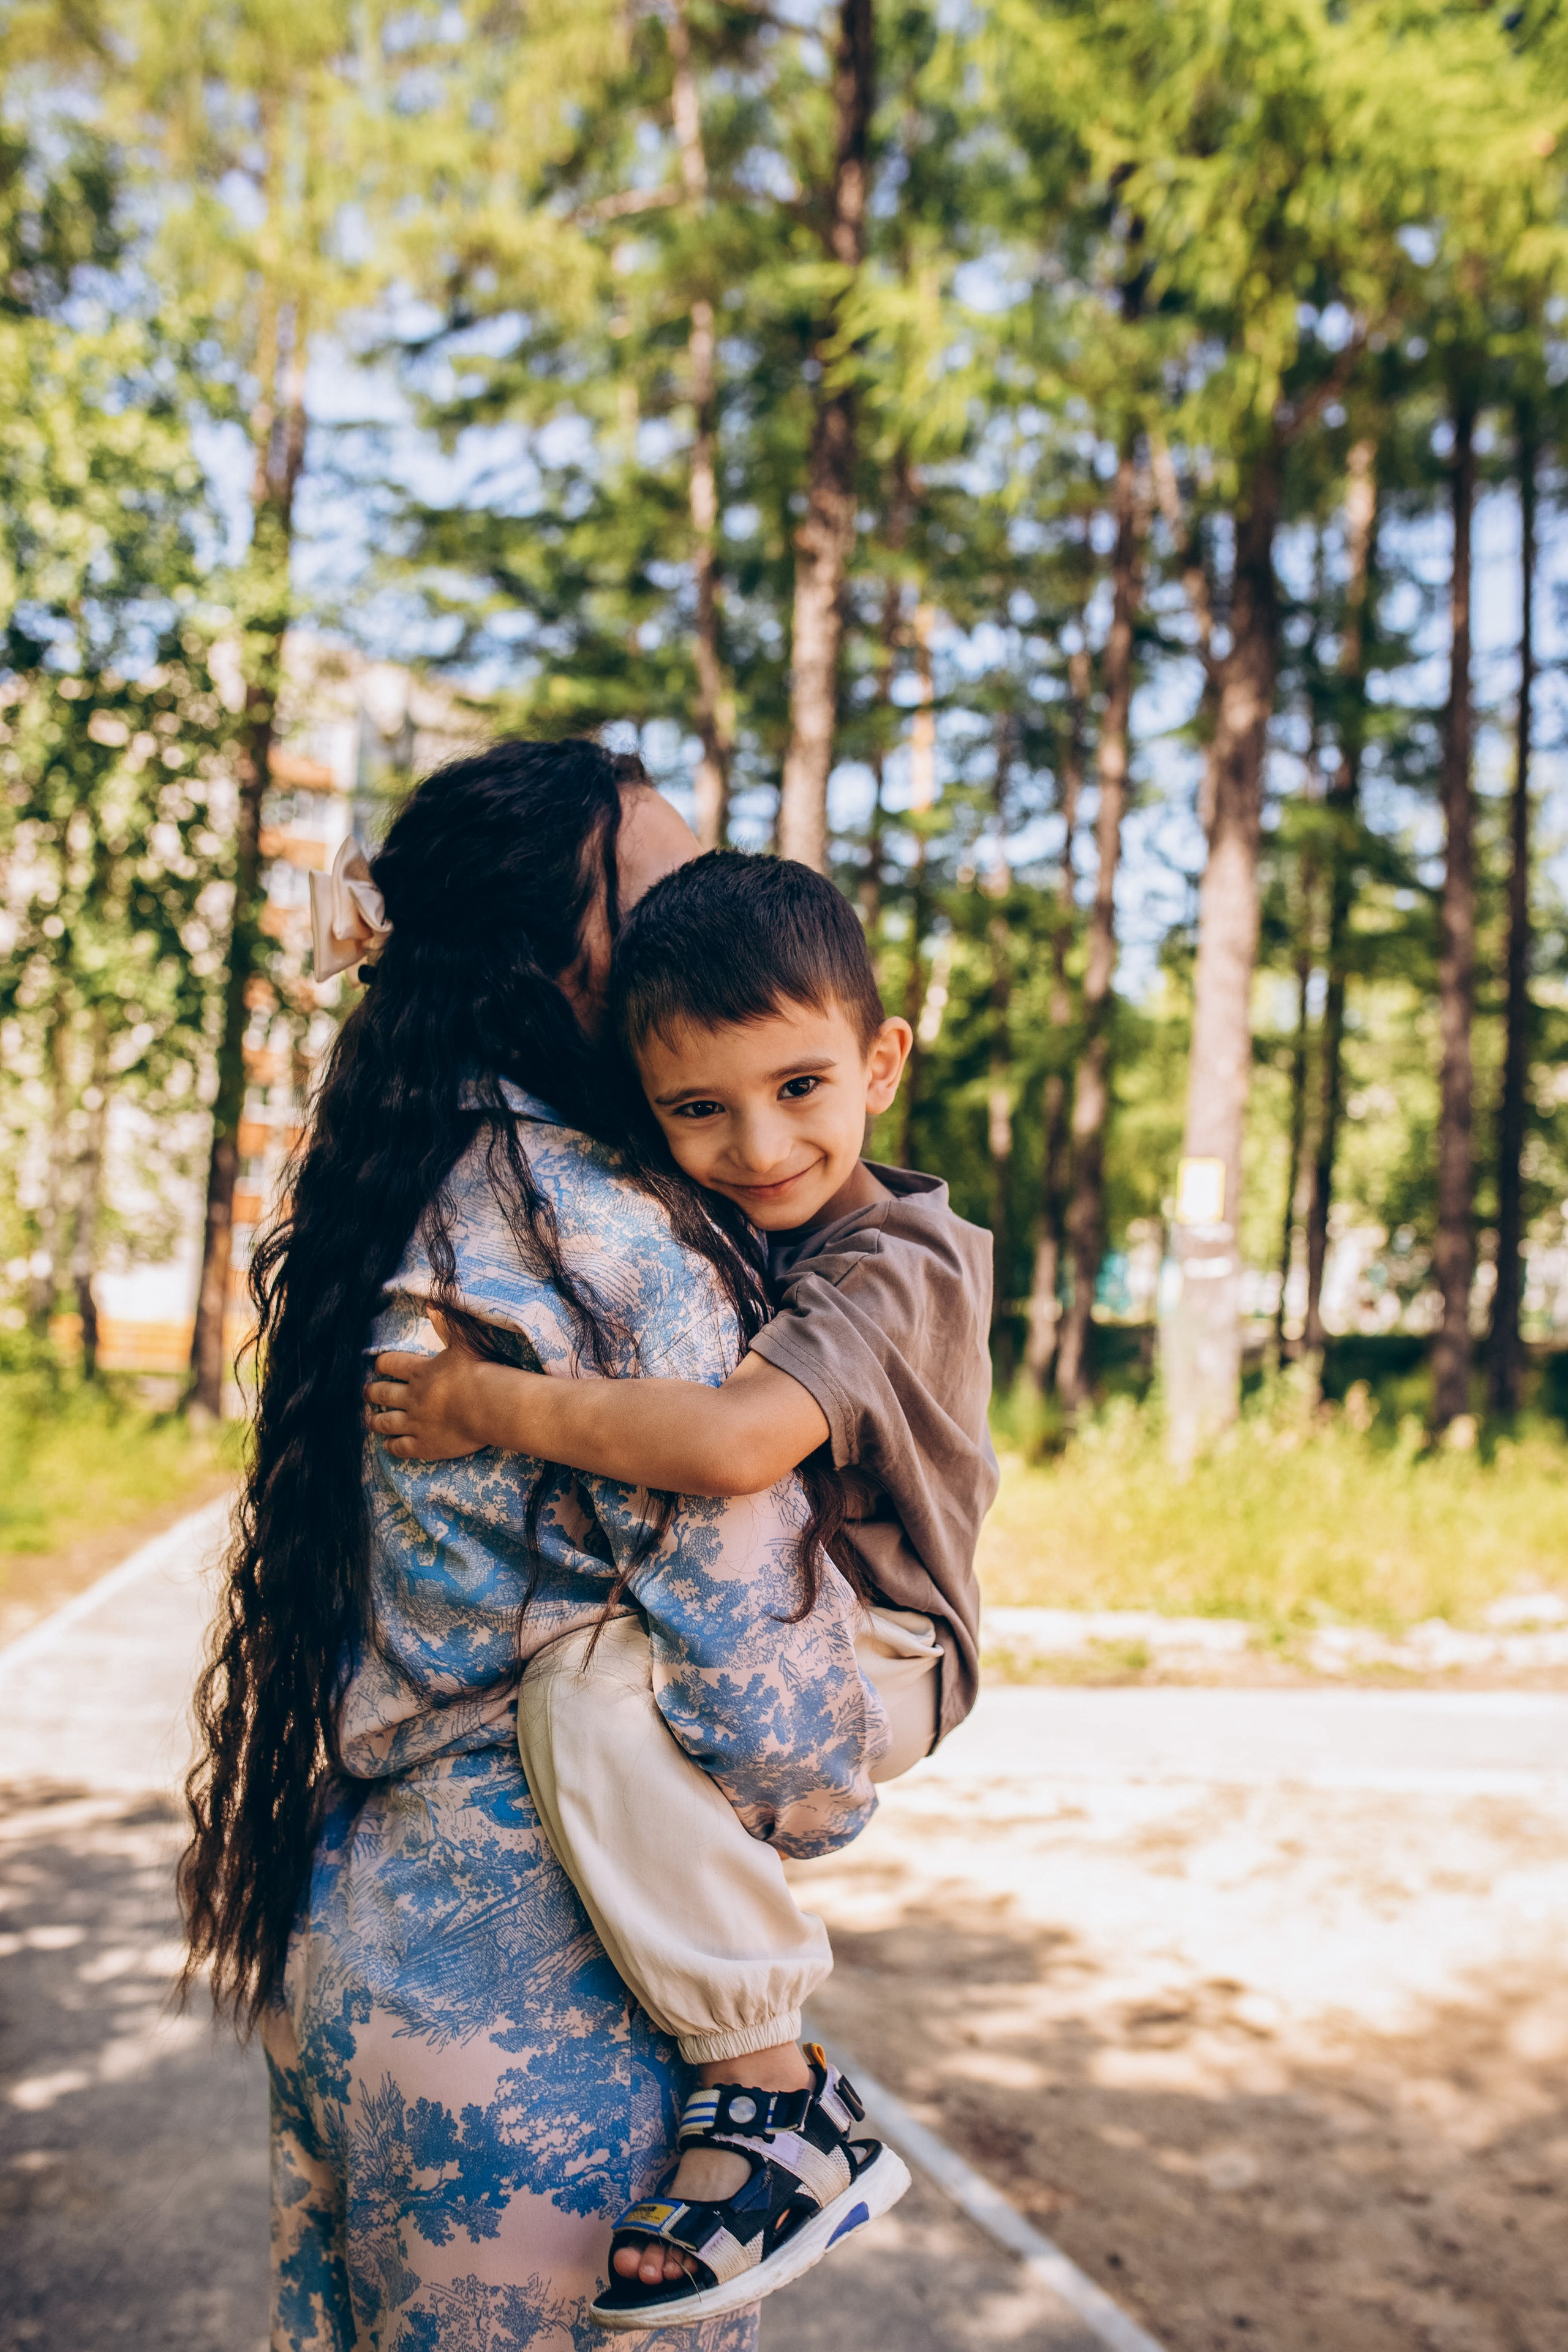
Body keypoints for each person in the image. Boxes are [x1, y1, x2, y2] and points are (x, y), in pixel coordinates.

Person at [179, 743, 895, 2352]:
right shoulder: (615, 1241)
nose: (714, 934)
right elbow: (779, 1731)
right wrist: (840, 1775)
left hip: (358, 1949)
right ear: (552, 963)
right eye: (666, 905)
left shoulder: (401, 1178)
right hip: (549, 2019)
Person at [364, 852, 998, 2331]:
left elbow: (730, 1445)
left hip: (890, 1643)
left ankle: (774, 2094)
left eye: (799, 1086)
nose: (758, 1144)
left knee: (585, 1693)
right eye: (697, 1109)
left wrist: (484, 1405)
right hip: (800, 1617)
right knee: (588, 1686)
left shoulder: (898, 1260)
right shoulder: (742, 1231)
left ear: (881, 1063)